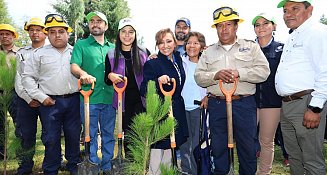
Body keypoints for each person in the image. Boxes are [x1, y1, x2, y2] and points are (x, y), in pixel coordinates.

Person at [194, 6, 270, 174]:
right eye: (220, 25)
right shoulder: (208, 52)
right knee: (219, 147)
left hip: (244, 104)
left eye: (228, 24)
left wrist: (239, 73)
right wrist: (216, 75)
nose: (224, 29)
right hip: (217, 104)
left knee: (247, 148)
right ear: (216, 29)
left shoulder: (251, 47)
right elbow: (198, 76)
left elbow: (264, 72)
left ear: (236, 26)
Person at [22, 14, 80, 175]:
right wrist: (41, 97)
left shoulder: (76, 51)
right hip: (49, 103)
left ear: (68, 33)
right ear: (47, 34)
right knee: (51, 138)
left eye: (61, 31)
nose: (57, 35)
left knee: (74, 135)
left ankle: (74, 165)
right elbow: (27, 78)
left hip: (74, 101)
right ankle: (51, 169)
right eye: (52, 32)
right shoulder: (39, 54)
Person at [275, 0, 327, 174]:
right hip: (288, 104)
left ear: (309, 9)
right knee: (294, 156)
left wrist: (315, 107)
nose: (288, 14)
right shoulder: (294, 35)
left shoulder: (318, 32)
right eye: (285, 10)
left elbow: (325, 70)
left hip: (306, 103)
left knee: (311, 159)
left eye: (295, 9)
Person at [70, 11, 115, 174]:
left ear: (106, 25)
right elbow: (74, 65)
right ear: (89, 25)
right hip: (89, 98)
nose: (95, 24)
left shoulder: (113, 48)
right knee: (90, 134)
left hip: (110, 98)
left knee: (109, 133)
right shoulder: (81, 45)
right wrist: (83, 74)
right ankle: (93, 165)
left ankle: (108, 165)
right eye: (92, 21)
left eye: (99, 21)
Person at [140, 28, 188, 175]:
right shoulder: (153, 63)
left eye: (168, 41)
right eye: (161, 42)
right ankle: (154, 172)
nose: (165, 45)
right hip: (160, 112)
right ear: (157, 45)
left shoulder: (178, 58)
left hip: (176, 108)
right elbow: (143, 88)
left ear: (175, 43)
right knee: (158, 148)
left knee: (170, 148)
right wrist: (156, 81)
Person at [104, 17, 149, 157]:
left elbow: (150, 74)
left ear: (135, 34)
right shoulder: (111, 54)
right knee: (128, 134)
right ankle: (130, 163)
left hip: (141, 101)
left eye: (131, 32)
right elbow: (106, 79)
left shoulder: (143, 52)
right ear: (119, 33)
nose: (127, 35)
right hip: (122, 101)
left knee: (141, 134)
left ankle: (142, 163)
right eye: (124, 31)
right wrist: (110, 75)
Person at [252, 13, 284, 174]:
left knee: (266, 141)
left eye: (265, 23)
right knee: (247, 139)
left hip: (272, 103)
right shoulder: (248, 48)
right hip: (249, 101)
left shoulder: (282, 49)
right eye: (257, 25)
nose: (261, 27)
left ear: (274, 26)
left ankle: (264, 172)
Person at [14, 17, 47, 175]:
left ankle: (52, 163)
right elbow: (19, 78)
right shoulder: (21, 53)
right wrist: (28, 98)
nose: (35, 33)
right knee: (26, 135)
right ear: (28, 32)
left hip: (47, 100)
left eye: (39, 30)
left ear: (45, 33)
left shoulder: (52, 51)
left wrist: (41, 97)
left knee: (50, 134)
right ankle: (25, 166)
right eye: (32, 30)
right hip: (26, 101)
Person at [179, 31, 207, 175]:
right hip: (182, 108)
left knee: (197, 144)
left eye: (196, 43)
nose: (192, 46)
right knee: (184, 143)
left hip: (198, 108)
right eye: (189, 43)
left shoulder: (206, 63)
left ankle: (198, 171)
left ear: (202, 46)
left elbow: (212, 82)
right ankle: (185, 170)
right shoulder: (179, 61)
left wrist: (207, 97)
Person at [0, 23, 20, 160]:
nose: (4, 36)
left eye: (7, 34)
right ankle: (1, 153)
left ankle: (20, 151)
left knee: (19, 123)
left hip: (15, 93)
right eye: (1, 34)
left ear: (13, 36)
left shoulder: (20, 52)